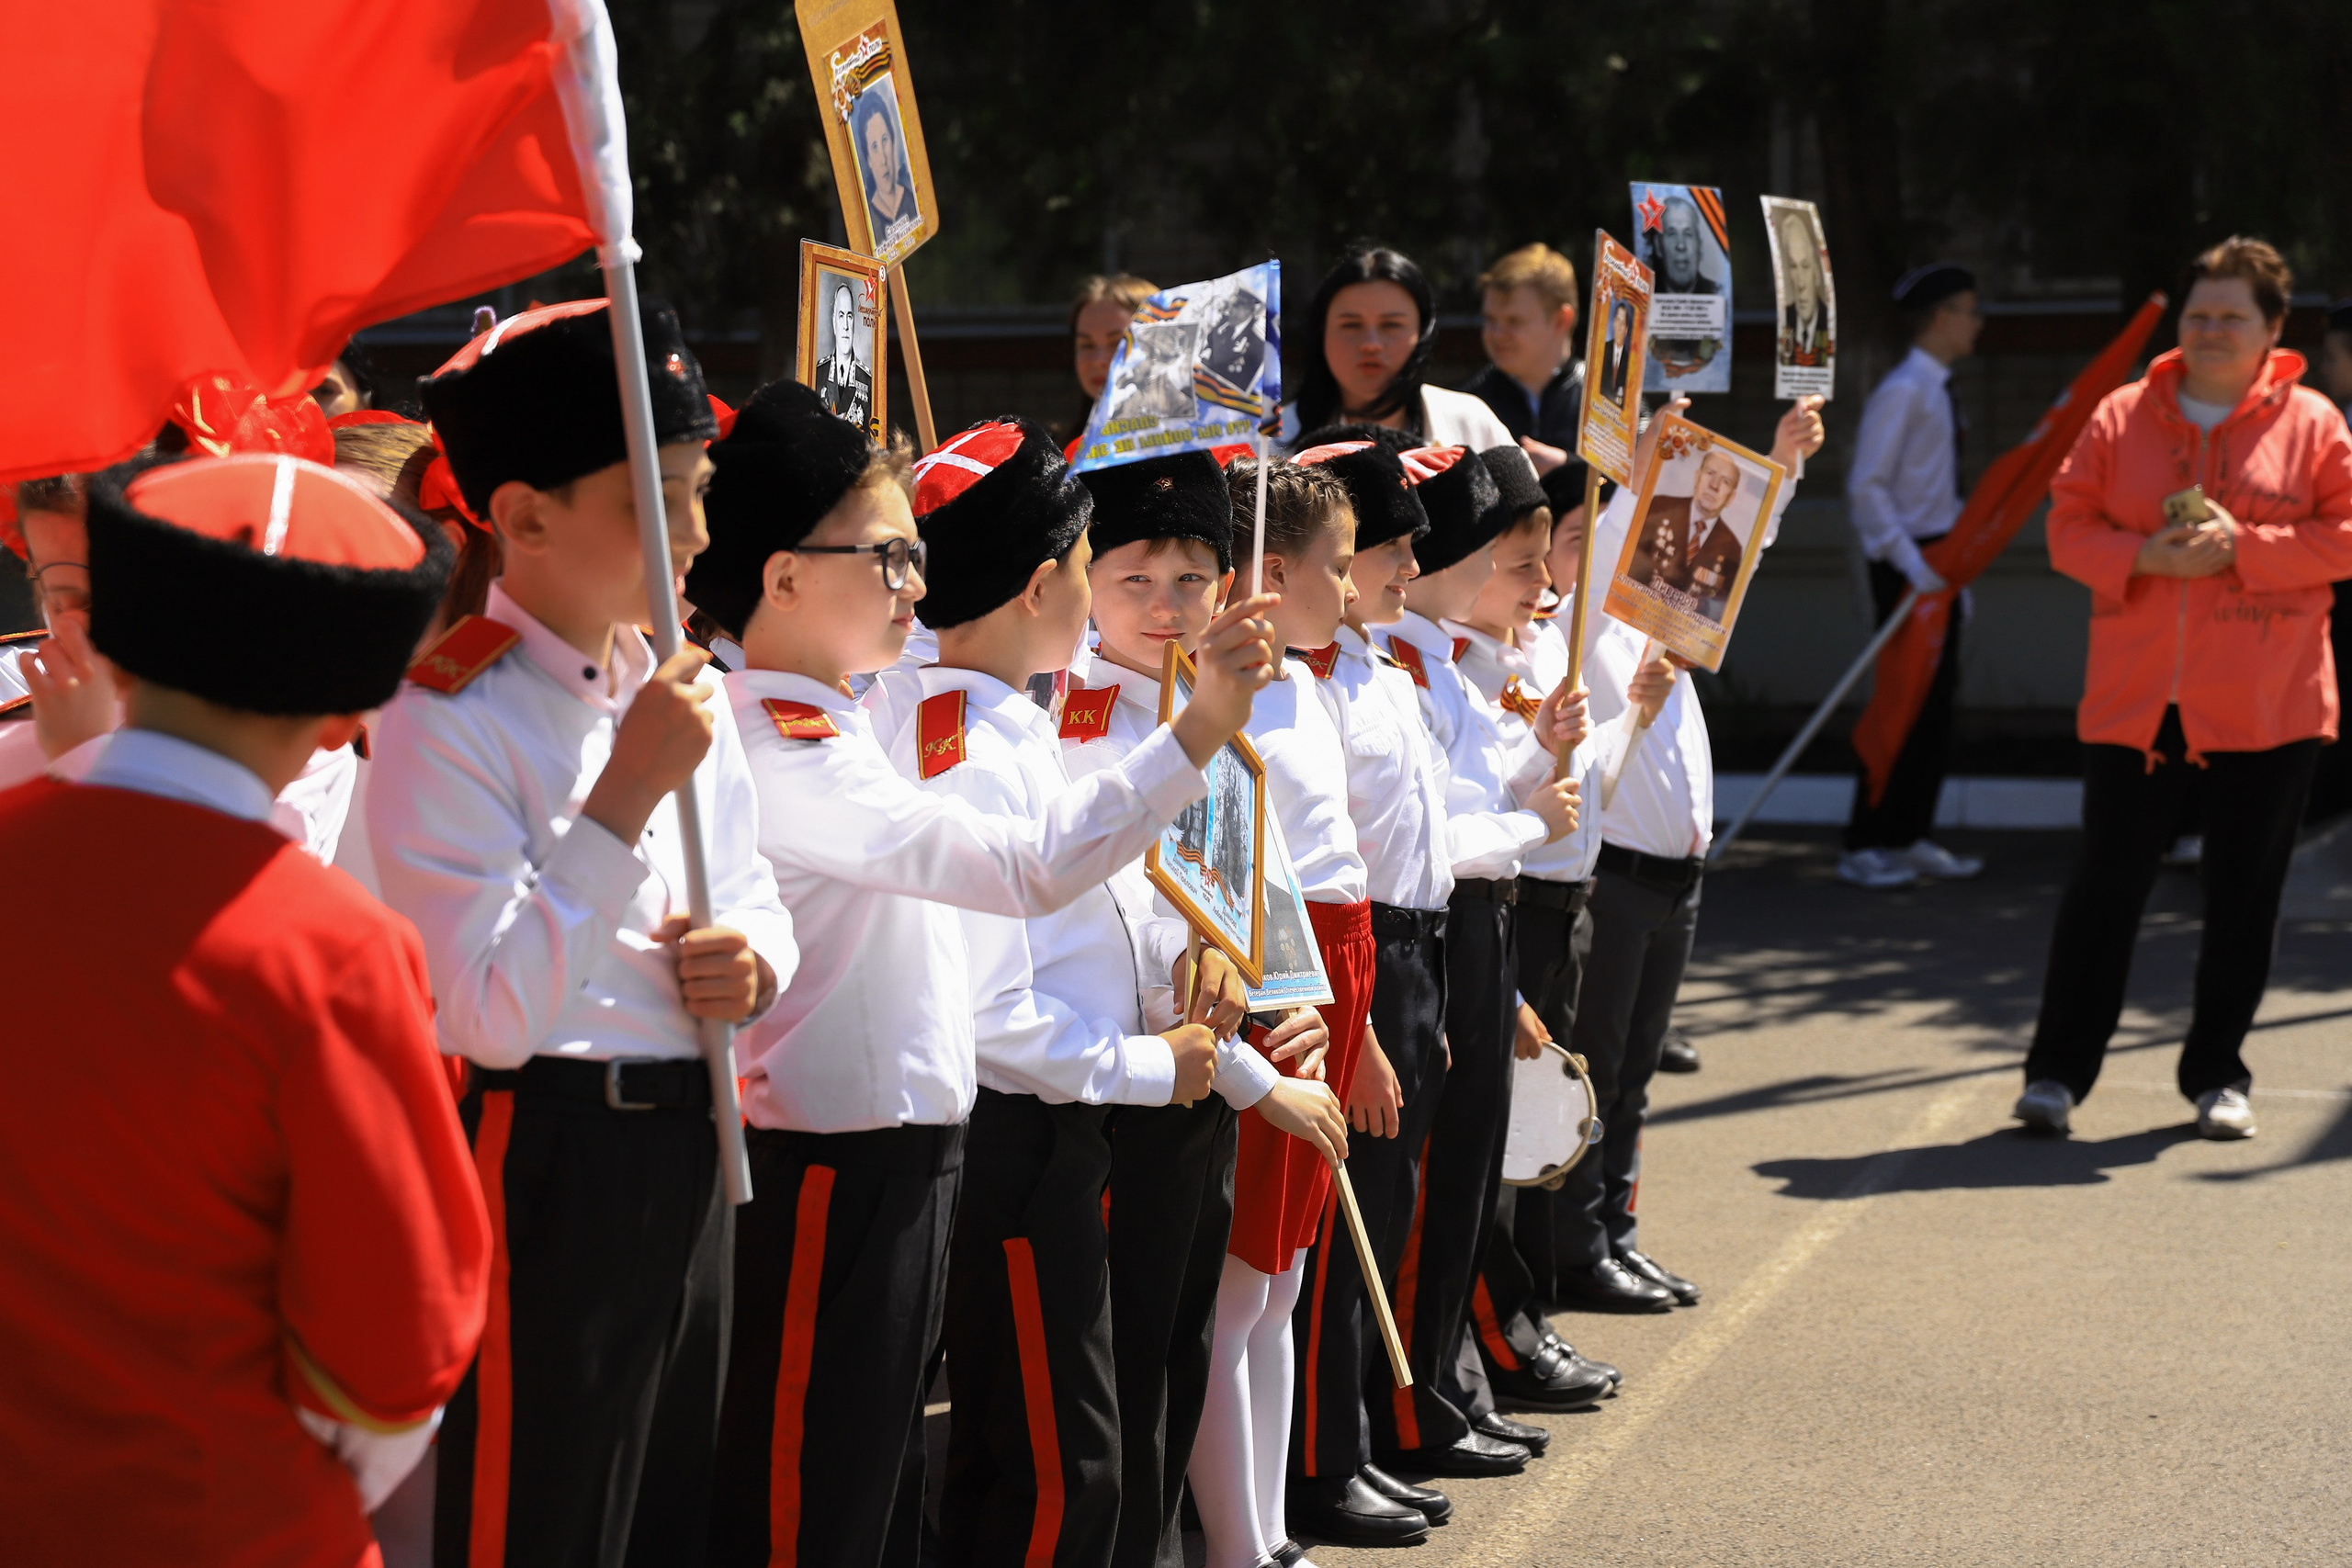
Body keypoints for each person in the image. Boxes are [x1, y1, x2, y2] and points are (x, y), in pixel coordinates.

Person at [678, 393, 1283, 1568]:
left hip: (909, 1150)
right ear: (784, 578)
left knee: (884, 1485)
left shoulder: (843, 718)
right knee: (822, 1496)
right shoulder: (780, 742)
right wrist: (1201, 723)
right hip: (830, 1161)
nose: (916, 583)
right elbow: (1022, 870)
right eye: (887, 553)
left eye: (916, 555)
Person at [368, 299, 799, 1566]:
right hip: (545, 1149)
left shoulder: (679, 680)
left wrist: (753, 959)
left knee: (669, 1511)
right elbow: (485, 1007)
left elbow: (754, 882)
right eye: (655, 497)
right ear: (522, 517)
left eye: (700, 489)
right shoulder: (446, 715)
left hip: (695, 1139)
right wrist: (622, 793)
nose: (698, 533)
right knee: (543, 1515)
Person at [0, 451, 485, 1565]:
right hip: (230, 1514)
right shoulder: (339, 950)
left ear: (110, 643)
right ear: (342, 714)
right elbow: (399, 1348)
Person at [881, 417, 1245, 1568]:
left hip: (1048, 1129)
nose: (1104, 597)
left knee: (1027, 1453)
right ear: (1046, 584)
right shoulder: (972, 753)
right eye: (1098, 567)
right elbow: (995, 1015)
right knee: (1058, 1470)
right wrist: (1153, 1066)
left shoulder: (999, 722)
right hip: (1022, 1133)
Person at [1062, 448, 1348, 1568]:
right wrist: (1259, 1077)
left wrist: (1295, 1006)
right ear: (1083, 582)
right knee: (1123, 1377)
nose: (1168, 607)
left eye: (1192, 580)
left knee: (1181, 1351)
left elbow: (1248, 906)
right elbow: (1142, 957)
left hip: (1211, 1080)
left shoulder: (1207, 707)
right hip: (1125, 1087)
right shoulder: (1081, 723)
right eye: (1136, 581)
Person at [2014, 236, 2352, 1143]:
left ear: (2272, 330)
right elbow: (2066, 527)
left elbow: (2345, 537)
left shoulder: (2315, 422)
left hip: (2267, 702)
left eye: (2230, 316)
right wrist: (2142, 557)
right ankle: (2054, 1074)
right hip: (2136, 707)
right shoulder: (2122, 414)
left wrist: (2247, 545)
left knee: (2244, 897)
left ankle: (2217, 1074)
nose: (2209, 330)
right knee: (2104, 892)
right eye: (2197, 314)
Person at [1560, 396, 1825, 1315]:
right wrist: (1640, 461)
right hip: (1620, 878)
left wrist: (1781, 469)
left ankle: (1614, 1235)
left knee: (1632, 1075)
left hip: (1674, 881)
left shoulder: (1654, 606)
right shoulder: (1583, 611)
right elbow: (1617, 533)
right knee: (1594, 1074)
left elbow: (1731, 555)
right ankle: (1576, 1246)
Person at [1369, 442, 1579, 1480]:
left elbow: (1481, 791)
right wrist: (1534, 820)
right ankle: (1416, 1405)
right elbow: (1451, 830)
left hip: (1477, 922)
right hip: (1439, 927)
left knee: (1462, 1178)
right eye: (1521, 560)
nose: (1542, 584)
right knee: (1427, 1181)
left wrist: (1536, 754)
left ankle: (1447, 1390)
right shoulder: (1405, 663)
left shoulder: (1442, 663)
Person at [1184, 455, 1378, 1568]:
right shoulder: (1226, 686)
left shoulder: (1308, 680)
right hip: (1274, 977)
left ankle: (1264, 1535)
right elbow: (1232, 859)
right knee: (1242, 1277)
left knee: (1284, 1278)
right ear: (1268, 572)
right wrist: (1273, 1000)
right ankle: (1237, 1546)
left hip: (1334, 964)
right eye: (1335, 569)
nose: (1350, 593)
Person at [1443, 446, 1622, 1409]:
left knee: (1526, 1136)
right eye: (1516, 560)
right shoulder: (1448, 660)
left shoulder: (1536, 633)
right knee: (1483, 1156)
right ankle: (1488, 1343)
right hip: (1494, 911)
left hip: (1553, 902)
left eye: (1541, 557)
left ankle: (1510, 1331)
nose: (1535, 578)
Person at [1838, 262, 1989, 891]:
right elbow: (1868, 486)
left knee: (1934, 707)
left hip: (1939, 558)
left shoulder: (1938, 388)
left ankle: (1908, 831)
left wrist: (1955, 573)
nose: (1977, 323)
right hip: (1908, 561)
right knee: (1900, 701)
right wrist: (1910, 562)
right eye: (1968, 310)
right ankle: (1867, 839)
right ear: (1941, 317)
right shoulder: (1905, 391)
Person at [1286, 244, 1512, 451]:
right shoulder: (1270, 441)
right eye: (1351, 325)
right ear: (1322, 331)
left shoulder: (1471, 425)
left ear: (1422, 333)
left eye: (1391, 325)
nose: (1371, 345)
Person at [1460, 243, 1586, 476]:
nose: (1496, 334)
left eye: (1514, 321)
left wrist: (1568, 467)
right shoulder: (1468, 402)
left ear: (1561, 320)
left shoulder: (1608, 402)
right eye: (1490, 319)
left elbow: (1644, 482)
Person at [1626, 447, 1747, 613]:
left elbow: (1717, 612)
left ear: (1731, 497)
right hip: (1631, 611)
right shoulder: (1660, 507)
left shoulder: (1732, 549)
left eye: (1725, 481)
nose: (1714, 486)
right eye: (1710, 473)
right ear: (1697, 477)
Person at [1069, 273, 1159, 441]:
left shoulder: (1206, 446)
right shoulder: (1057, 454)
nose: (1098, 361)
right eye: (1087, 345)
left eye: (1118, 343)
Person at [855, 86, 918, 250]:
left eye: (885, 140)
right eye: (874, 147)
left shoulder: (911, 199)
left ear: (893, 140)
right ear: (868, 159)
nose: (883, 158)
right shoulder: (869, 223)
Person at [815, 277, 874, 429]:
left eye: (849, 316)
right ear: (834, 322)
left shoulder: (868, 380)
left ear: (854, 321)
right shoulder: (818, 373)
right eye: (841, 316)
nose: (846, 326)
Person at [1777, 212, 1832, 365]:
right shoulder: (1784, 321)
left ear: (1816, 273)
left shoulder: (1830, 320)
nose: (1800, 284)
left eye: (1806, 266)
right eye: (1793, 267)